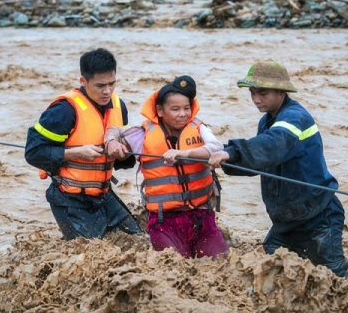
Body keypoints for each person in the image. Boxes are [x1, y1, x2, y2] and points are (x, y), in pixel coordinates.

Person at [208, 60, 348, 277]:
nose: (256, 99)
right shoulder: (267, 121)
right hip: (287, 221)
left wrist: (233, 152)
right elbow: (260, 161)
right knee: (267, 272)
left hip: (318, 217)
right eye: (252, 93)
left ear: (281, 91)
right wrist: (225, 161)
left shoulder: (295, 118)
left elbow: (272, 145)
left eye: (262, 93)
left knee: (335, 280)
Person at [105, 75, 229, 259]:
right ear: (160, 111)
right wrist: (111, 142)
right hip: (164, 221)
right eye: (175, 109)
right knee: (172, 266)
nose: (183, 114)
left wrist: (184, 154)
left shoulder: (199, 128)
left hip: (202, 217)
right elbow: (115, 130)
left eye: (187, 108)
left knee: (222, 264)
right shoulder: (143, 135)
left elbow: (216, 148)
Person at [24, 48, 141, 240]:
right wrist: (76, 153)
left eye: (112, 84)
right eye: (100, 85)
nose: (107, 91)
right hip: (69, 198)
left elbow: (123, 160)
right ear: (83, 82)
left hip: (103, 194)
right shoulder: (63, 110)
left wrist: (124, 153)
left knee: (139, 242)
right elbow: (34, 152)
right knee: (90, 256)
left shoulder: (119, 106)